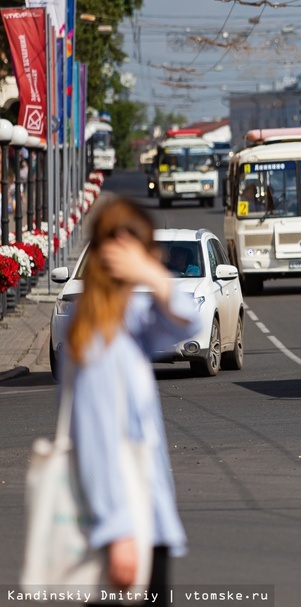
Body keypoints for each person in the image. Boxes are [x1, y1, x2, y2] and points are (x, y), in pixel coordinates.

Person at [61, 197, 200, 601]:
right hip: (126, 524)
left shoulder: (123, 320)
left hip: (138, 516)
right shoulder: (100, 337)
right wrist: (117, 529)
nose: (156, 258)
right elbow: (96, 438)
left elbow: (187, 320)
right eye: (150, 251)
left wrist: (152, 277)